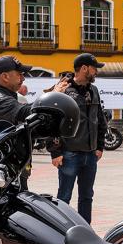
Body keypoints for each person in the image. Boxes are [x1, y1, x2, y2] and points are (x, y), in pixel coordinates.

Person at [0, 56, 68, 189]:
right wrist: (54, 95)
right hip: (5, 171)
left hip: (5, 167)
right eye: (19, 74)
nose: (23, 78)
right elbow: (27, 112)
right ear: (5, 76)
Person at [49, 53, 106, 224]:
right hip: (69, 154)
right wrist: (55, 152)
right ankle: (61, 230)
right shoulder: (63, 89)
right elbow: (51, 121)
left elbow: (100, 120)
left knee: (87, 196)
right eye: (94, 68)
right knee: (64, 196)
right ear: (84, 68)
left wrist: (100, 146)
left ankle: (85, 230)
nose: (96, 72)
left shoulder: (93, 90)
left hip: (90, 155)